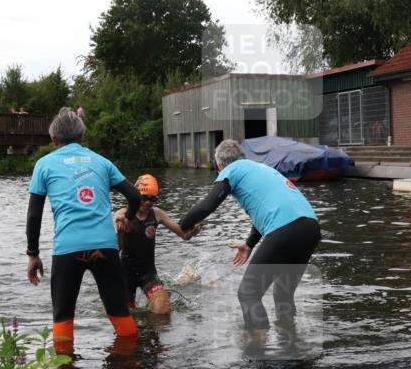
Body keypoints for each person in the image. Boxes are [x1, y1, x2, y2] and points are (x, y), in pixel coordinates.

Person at [25, 109, 142, 355]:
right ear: (83, 136)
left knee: (63, 317)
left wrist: (33, 254)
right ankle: (130, 367)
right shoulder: (101, 162)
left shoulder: (44, 165)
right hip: (105, 247)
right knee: (120, 313)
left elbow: (34, 214)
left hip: (68, 249)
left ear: (54, 140)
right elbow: (134, 195)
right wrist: (128, 219)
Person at [179, 139, 321, 332]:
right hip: (310, 228)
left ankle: (258, 350)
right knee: (283, 294)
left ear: (220, 164)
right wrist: (249, 244)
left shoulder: (232, 170)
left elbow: (207, 205)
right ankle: (291, 345)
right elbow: (267, 211)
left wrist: (182, 226)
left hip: (286, 229)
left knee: (248, 294)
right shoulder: (260, 169)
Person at [113, 174, 200, 315]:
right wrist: (120, 228)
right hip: (125, 274)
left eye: (153, 199)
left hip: (148, 273)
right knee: (127, 315)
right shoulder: (123, 214)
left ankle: (153, 329)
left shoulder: (157, 214)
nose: (148, 202)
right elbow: (115, 244)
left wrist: (194, 230)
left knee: (163, 310)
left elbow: (184, 235)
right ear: (135, 196)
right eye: (144, 198)